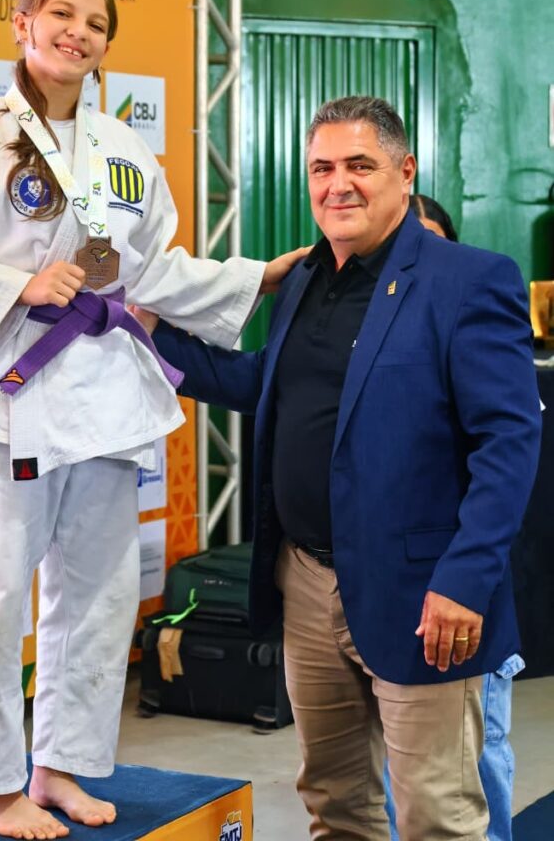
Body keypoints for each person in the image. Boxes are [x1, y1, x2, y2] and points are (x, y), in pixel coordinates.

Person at [0, 0, 304, 841]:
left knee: (99, 598)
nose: (78, 32)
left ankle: (59, 766)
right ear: (22, 23)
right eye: (62, 13)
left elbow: (154, 268)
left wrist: (255, 277)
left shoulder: (121, 148)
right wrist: (18, 284)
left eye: (96, 23)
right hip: (12, 397)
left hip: (108, 397)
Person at [143, 96, 542, 840]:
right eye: (321, 169)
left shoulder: (470, 279)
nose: (338, 184)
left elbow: (509, 440)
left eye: (360, 165)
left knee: (437, 817)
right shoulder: (304, 277)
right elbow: (267, 382)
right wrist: (147, 336)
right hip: (306, 583)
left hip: (423, 594)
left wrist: (464, 580)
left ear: (405, 171)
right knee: (335, 804)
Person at [382, 194, 524, 841]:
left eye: (429, 243)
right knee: (402, 785)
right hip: (389, 608)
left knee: (475, 768)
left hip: (461, 601)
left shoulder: (475, 308)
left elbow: (507, 453)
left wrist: (465, 583)